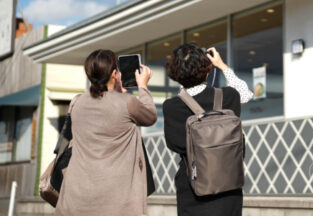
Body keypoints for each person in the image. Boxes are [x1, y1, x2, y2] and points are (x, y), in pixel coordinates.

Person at [55, 49, 157, 216]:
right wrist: (143, 86)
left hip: (76, 196)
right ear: (114, 74)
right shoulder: (127, 102)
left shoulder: (77, 103)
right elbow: (150, 116)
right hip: (116, 199)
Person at [163, 44, 253, 216]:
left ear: (174, 73)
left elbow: (175, 145)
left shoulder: (172, 106)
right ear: (208, 68)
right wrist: (222, 66)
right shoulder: (228, 95)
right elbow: (246, 93)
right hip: (229, 183)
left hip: (193, 185)